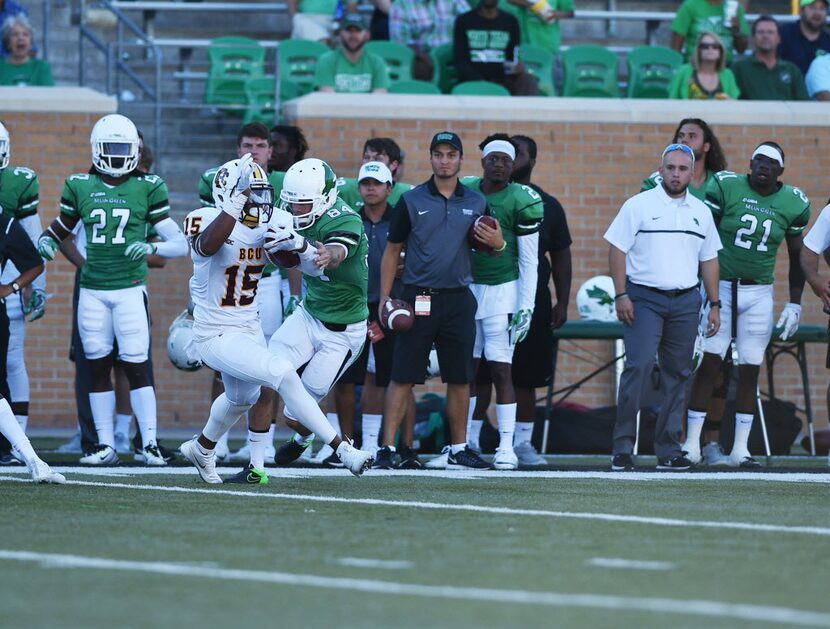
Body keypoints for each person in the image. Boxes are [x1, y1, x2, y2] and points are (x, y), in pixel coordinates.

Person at [179, 155, 374, 483]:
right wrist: (235, 203)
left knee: (244, 397)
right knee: (281, 372)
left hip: (249, 323)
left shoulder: (272, 220)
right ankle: (344, 449)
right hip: (215, 332)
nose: (260, 201)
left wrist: (297, 247)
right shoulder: (204, 219)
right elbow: (207, 246)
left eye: (260, 192)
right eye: (250, 194)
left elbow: (298, 261)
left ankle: (203, 447)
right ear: (230, 195)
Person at [36, 114, 189, 466]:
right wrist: (45, 244)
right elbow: (59, 229)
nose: (117, 156)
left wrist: (152, 248)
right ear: (96, 149)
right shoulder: (79, 185)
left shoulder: (148, 186)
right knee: (97, 366)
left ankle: (148, 442)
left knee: (136, 365)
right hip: (92, 289)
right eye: (111, 149)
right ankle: (104, 445)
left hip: (130, 288)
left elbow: (179, 243)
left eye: (123, 148)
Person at [374, 131, 499, 469]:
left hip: (459, 298)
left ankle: (458, 448)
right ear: (430, 158)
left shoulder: (476, 201)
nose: (444, 160)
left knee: (460, 377)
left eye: (451, 154)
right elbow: (392, 251)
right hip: (418, 298)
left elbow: (491, 246)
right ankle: (387, 448)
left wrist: (499, 243)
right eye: (439, 154)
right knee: (403, 374)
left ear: (460, 160)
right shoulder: (411, 200)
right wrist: (386, 298)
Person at [683, 142, 811, 468]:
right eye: (758, 161)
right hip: (721, 289)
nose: (763, 167)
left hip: (758, 294)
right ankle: (691, 445)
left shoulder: (793, 203)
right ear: (750, 163)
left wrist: (795, 303)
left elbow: (797, 258)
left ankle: (741, 449)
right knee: (710, 364)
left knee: (750, 369)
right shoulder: (726, 185)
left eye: (771, 163)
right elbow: (701, 237)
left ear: (781, 171)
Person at [605, 143, 722, 471]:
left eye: (683, 169)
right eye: (670, 168)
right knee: (639, 367)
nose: (676, 173)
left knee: (679, 374)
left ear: (692, 172)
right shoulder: (638, 205)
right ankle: (623, 447)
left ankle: (669, 449)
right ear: (661, 170)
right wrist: (620, 294)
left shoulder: (701, 211)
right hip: (643, 298)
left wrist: (714, 304)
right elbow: (617, 250)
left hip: (686, 300)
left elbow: (709, 259)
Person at [197, 122, 293, 468]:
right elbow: (206, 243)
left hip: (264, 284)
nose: (252, 151)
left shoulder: (281, 184)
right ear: (237, 149)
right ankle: (217, 440)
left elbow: (289, 248)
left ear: (271, 150)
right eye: (246, 145)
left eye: (259, 145)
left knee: (266, 363)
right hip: (224, 288)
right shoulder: (219, 180)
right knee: (223, 368)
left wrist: (293, 291)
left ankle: (262, 444)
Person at [451, 134, 542, 471]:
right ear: (484, 162)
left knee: (501, 368)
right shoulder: (466, 190)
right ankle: (466, 443)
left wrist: (526, 305)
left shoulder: (523, 198)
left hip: (503, 289)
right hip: (466, 286)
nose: (500, 165)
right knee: (465, 370)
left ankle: (506, 445)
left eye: (506, 159)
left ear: (514, 163)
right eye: (494, 159)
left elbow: (529, 260)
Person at [324, 162, 412, 465]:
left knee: (386, 376)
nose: (370, 188)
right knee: (346, 377)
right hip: (352, 305)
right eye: (366, 183)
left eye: (377, 183)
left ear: (390, 187)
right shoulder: (349, 219)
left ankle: (375, 443)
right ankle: (344, 444)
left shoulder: (401, 219)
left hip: (388, 306)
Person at [507, 133, 572, 465]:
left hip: (532, 301)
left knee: (526, 376)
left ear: (532, 161)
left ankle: (522, 443)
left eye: (518, 153)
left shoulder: (547, 204)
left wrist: (562, 301)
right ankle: (471, 441)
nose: (511, 158)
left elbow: (561, 256)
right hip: (491, 296)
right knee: (481, 373)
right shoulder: (480, 197)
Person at [0, 212, 63, 483]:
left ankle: (31, 457)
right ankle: (33, 459)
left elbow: (34, 263)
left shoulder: (5, 221)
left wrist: (11, 286)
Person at [0, 121, 45, 465]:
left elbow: (31, 239)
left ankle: (19, 439)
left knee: (11, 361)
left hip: (10, 276)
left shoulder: (18, 182)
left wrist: (34, 288)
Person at [453, 0, 539, 96]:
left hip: (502, 80)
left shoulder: (511, 21)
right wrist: (480, 81)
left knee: (528, 80)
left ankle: (524, 111)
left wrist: (517, 67)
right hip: (473, 81)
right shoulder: (464, 21)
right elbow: (460, 60)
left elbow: (513, 55)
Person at [641, 118, 728, 200]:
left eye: (692, 136)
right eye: (681, 136)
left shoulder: (720, 184)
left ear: (706, 146)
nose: (684, 140)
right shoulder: (657, 181)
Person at [389, 0, 472, 81]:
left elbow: (472, 25)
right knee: (418, 66)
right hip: (421, 58)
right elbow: (401, 43)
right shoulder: (401, 5)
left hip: (455, 56)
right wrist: (427, 59)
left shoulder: (455, 1)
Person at [732, 16, 809, 101]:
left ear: (779, 39)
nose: (765, 36)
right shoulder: (739, 68)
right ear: (753, 38)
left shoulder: (792, 70)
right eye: (761, 32)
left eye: (770, 32)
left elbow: (804, 104)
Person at [314, 13, 389, 94]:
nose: (353, 35)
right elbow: (326, 100)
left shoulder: (376, 62)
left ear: (367, 35)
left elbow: (380, 99)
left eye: (358, 30)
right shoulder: (327, 61)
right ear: (340, 33)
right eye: (348, 30)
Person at [337, 137, 413, 212]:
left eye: (378, 159)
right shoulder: (343, 189)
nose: (371, 162)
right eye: (367, 157)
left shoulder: (409, 194)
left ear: (393, 165)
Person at [671, 0, 749, 63]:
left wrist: (737, 31)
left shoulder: (734, 7)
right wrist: (679, 71)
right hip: (695, 66)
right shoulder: (691, 5)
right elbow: (676, 47)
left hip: (725, 67)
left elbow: (741, 50)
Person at [668, 32, 740, 100]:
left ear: (720, 51)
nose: (710, 49)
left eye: (715, 46)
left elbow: (735, 104)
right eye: (705, 46)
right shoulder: (683, 71)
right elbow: (672, 99)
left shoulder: (728, 74)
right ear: (698, 50)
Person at [502, 0, 574, 57]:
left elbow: (570, 12)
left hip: (548, 45)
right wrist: (532, 5)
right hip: (525, 44)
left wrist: (555, 14)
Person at [778, 0, 830, 77]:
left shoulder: (828, 40)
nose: (817, 13)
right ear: (801, 10)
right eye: (812, 7)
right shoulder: (783, 34)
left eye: (822, 8)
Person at [0, 14, 52, 86]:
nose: (20, 38)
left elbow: (49, 95)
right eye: (15, 34)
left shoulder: (41, 68)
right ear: (8, 42)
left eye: (25, 34)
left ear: (31, 43)